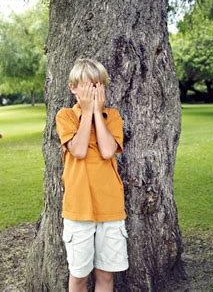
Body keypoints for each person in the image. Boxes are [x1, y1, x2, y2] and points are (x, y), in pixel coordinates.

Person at [55, 59, 128, 292]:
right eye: (86, 87)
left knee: (106, 277)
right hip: (78, 208)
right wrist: (86, 112)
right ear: (73, 88)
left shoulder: (113, 116)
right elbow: (78, 150)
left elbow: (108, 151)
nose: (92, 92)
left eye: (97, 86)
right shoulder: (65, 116)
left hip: (110, 207)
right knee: (78, 277)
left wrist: (97, 112)